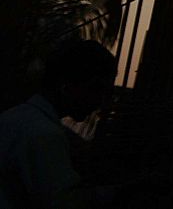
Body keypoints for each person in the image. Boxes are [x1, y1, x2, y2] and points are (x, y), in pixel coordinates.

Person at [0, 38, 115, 208]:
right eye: (96, 89)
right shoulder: (45, 135)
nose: (101, 101)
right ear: (67, 88)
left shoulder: (14, 117)